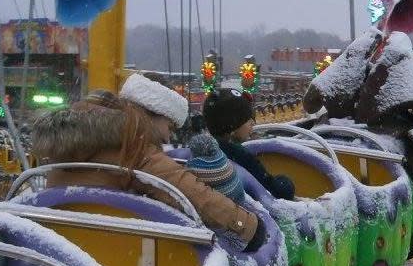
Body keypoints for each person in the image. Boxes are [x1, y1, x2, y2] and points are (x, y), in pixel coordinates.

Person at [32, 74, 265, 252]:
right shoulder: (132, 145)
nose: (166, 137)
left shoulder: (75, 138)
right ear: (151, 113)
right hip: (107, 245)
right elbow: (189, 191)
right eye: (169, 126)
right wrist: (247, 225)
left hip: (58, 239)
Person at [202, 88, 296, 200]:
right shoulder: (241, 157)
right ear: (232, 125)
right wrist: (284, 184)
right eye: (247, 119)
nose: (253, 122)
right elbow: (272, 190)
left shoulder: (206, 152)